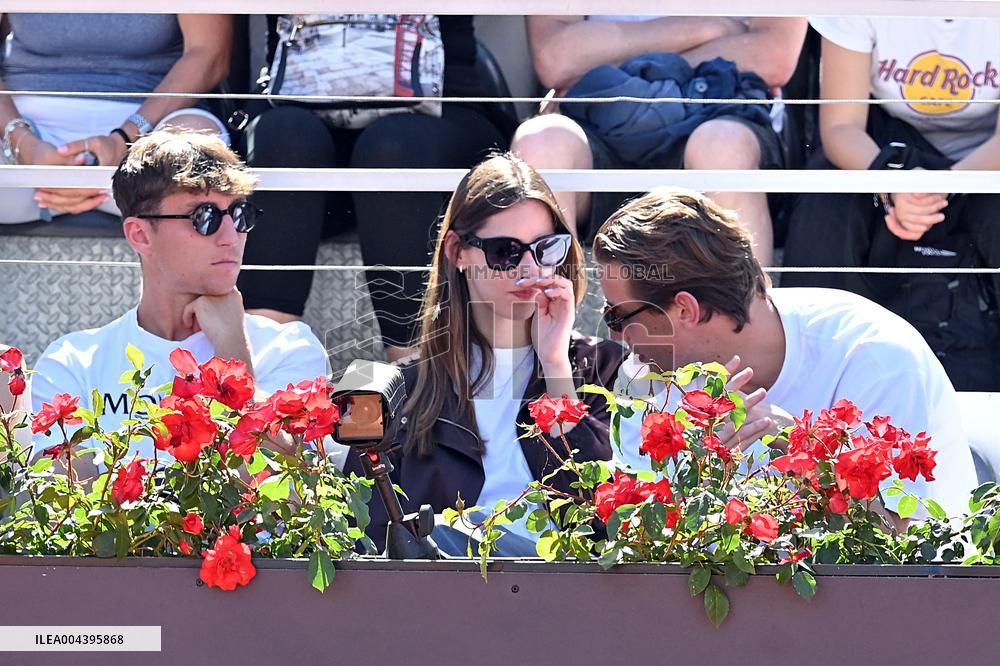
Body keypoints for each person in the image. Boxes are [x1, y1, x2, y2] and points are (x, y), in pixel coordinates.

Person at [593, 188, 977, 518]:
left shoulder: (874, 356)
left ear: (685, 310)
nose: (615, 335)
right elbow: (639, 540)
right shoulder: (645, 377)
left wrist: (798, 445)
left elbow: (900, 538)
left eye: (618, 316)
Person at [344, 153, 626, 554]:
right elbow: (365, 542)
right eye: (505, 251)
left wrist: (555, 366)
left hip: (567, 581)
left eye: (546, 248)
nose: (529, 269)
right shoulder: (400, 389)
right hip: (448, 585)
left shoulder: (605, 367)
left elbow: (606, 521)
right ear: (457, 251)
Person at [31, 131, 330, 462]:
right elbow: (71, 491)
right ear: (140, 235)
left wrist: (233, 349)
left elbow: (294, 479)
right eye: (205, 217)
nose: (231, 237)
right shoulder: (73, 360)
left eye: (239, 214)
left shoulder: (289, 347)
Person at [237, 15, 511, 362]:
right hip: (299, 106)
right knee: (284, 138)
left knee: (393, 149)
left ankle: (418, 376)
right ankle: (264, 369)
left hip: (440, 110)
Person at [782, 17, 1000, 391]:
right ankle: (809, 377)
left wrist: (940, 189)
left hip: (985, 160)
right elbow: (841, 127)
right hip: (886, 146)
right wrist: (893, 184)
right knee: (826, 203)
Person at [510, 15, 808, 264]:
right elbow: (555, 56)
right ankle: (550, 311)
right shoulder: (711, 26)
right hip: (598, 118)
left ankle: (747, 313)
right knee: (540, 144)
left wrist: (618, 68)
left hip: (722, 112)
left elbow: (773, 53)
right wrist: (707, 27)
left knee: (722, 147)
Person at [0, 12, 233, 223]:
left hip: (150, 130)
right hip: (21, 128)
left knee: (196, 155)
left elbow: (208, 53)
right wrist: (23, 144)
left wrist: (126, 139)